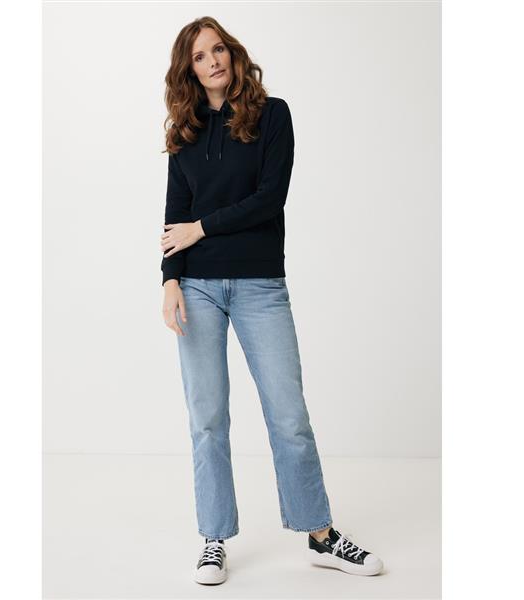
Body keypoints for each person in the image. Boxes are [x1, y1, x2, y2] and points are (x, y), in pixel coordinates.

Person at [159, 17, 384, 585]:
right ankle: (213, 539)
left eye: (217, 49)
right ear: (189, 71)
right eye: (199, 56)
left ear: (232, 53)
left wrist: (202, 228)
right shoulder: (184, 134)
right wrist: (169, 280)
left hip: (260, 285)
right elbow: (174, 217)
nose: (212, 61)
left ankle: (320, 535)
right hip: (197, 288)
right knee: (207, 420)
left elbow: (269, 199)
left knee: (289, 416)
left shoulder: (271, 115)